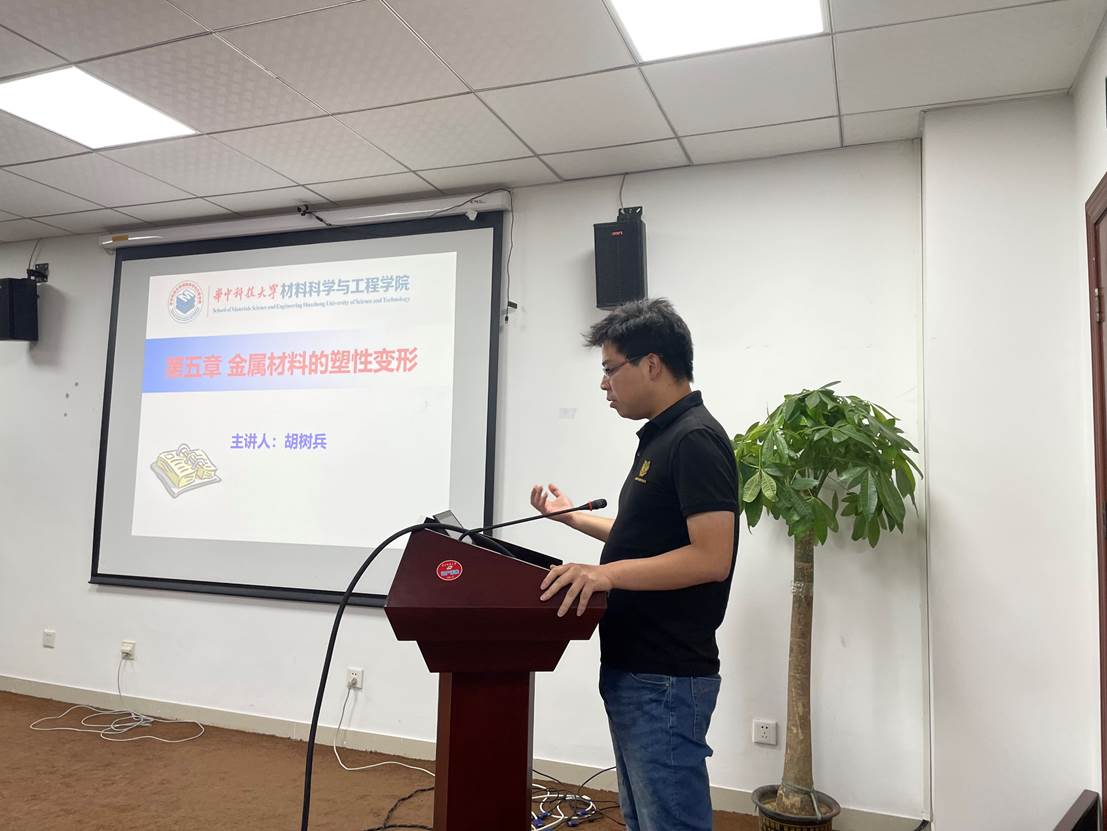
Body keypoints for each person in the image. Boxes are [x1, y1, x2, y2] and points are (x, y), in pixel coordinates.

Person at [532, 297, 739, 831]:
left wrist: (604, 574)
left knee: (669, 822)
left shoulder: (694, 439)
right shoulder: (662, 438)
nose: (604, 385)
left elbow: (711, 557)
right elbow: (644, 538)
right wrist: (572, 519)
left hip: (665, 674)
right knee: (642, 818)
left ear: (651, 364)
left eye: (610, 369)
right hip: (636, 667)